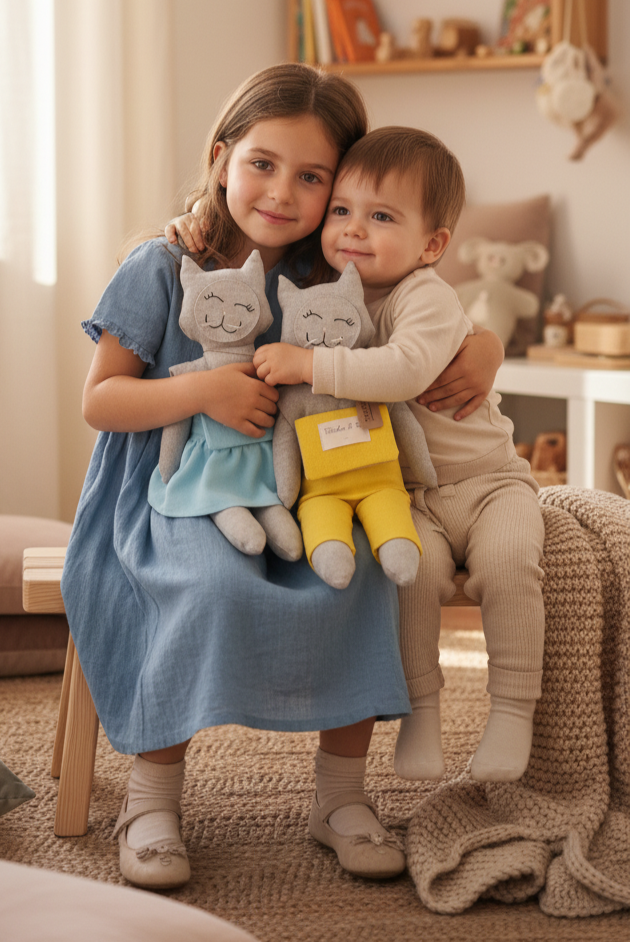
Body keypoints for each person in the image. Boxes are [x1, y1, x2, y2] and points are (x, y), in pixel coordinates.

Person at [63, 68, 503, 894]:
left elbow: (430, 316)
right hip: (175, 489)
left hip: (308, 488)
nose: (281, 192)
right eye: (262, 164)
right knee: (203, 583)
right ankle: (151, 802)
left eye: (312, 177)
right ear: (221, 159)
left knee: (364, 573)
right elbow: (101, 401)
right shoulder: (162, 264)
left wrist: (486, 347)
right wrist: (203, 390)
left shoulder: (333, 270)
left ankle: (340, 799)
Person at [252, 126, 545, 788]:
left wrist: (309, 363)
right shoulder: (328, 291)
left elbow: (404, 369)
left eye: (382, 217)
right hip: (409, 493)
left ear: (431, 245)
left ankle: (512, 709)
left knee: (509, 566)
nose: (354, 229)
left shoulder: (425, 295)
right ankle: (422, 709)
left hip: (490, 484)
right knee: (408, 576)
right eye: (342, 211)